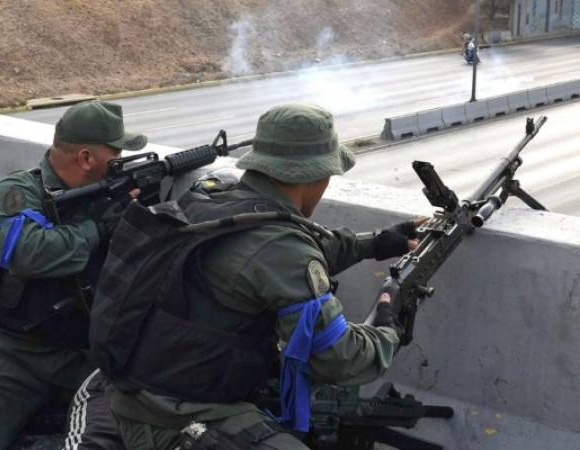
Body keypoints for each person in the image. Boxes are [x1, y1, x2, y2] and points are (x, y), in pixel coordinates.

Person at [91, 103, 422, 449]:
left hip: (138, 389)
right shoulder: (278, 245)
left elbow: (279, 255)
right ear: (312, 176)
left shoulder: (216, 198)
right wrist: (389, 330)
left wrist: (376, 243)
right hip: (176, 416)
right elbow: (337, 359)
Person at [0, 100, 147, 450]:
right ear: (86, 158)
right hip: (14, 352)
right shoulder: (18, 193)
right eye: (115, 155)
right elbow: (28, 252)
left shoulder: (110, 196)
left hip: (84, 355)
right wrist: (99, 229)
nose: (120, 163)